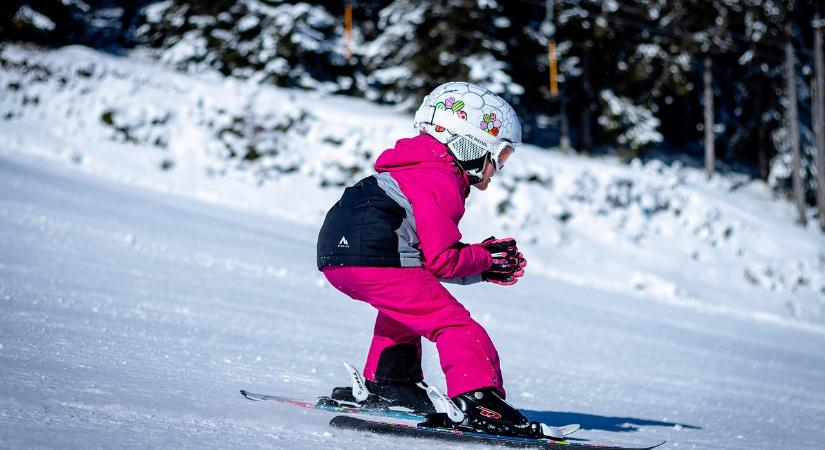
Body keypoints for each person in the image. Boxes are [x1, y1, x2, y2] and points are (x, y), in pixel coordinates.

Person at [316, 82, 536, 435]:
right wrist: (485, 259)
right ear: (471, 144)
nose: (497, 169)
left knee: (405, 308)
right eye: (501, 155)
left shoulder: (410, 169)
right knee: (455, 326)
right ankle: (478, 401)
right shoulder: (440, 178)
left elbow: (426, 261)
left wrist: (480, 264)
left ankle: (393, 383)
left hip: (338, 257)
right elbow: (442, 261)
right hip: (376, 255)